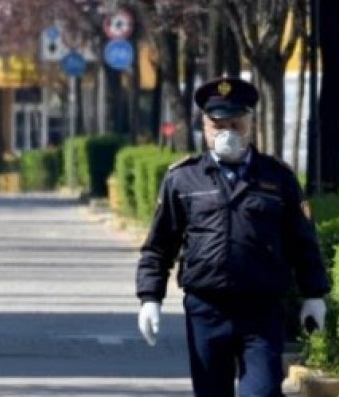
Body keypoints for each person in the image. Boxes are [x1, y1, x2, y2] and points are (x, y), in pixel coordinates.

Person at [135, 76, 329, 397]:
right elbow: (160, 244)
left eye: (235, 124)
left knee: (263, 392)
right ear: (204, 127)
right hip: (206, 309)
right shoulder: (183, 179)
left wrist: (314, 294)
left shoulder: (277, 177)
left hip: (262, 310)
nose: (226, 134)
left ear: (249, 124)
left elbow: (302, 240)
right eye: (217, 125)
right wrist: (149, 298)